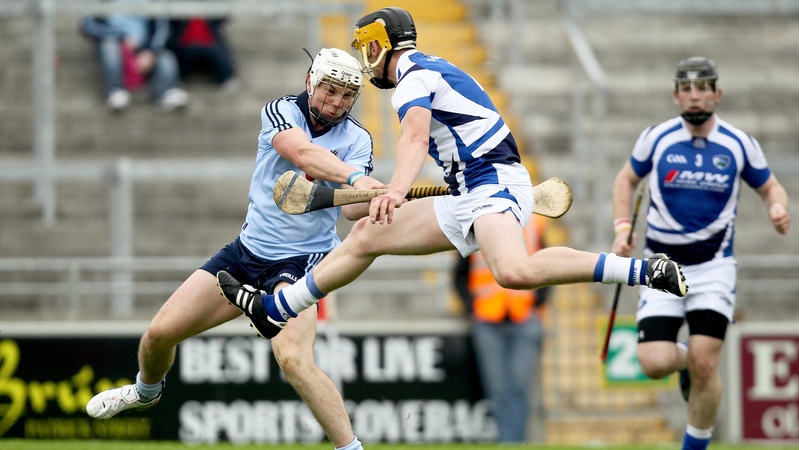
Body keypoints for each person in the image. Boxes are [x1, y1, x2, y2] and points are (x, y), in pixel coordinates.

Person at [215, 7, 687, 344]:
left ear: (379, 45)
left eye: (365, 50)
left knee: (514, 272)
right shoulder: (431, 68)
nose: (365, 61)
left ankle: (646, 270)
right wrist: (384, 192)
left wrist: (396, 189)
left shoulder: (413, 78)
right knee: (364, 236)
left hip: (491, 184)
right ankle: (278, 307)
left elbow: (415, 140)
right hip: (467, 190)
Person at [86, 48, 384, 450]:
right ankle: (145, 391)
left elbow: (352, 215)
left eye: (346, 96)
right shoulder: (281, 111)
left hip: (304, 261)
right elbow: (299, 152)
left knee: (293, 360)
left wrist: (377, 198)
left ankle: (351, 448)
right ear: (311, 81)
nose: (335, 102)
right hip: (246, 253)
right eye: (329, 90)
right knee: (158, 335)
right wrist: (353, 177)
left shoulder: (357, 139)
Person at [610, 57, 790, 450]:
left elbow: (770, 186)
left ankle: (695, 444)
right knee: (654, 364)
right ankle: (690, 359)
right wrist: (623, 228)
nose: (695, 97)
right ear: (676, 96)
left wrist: (777, 207)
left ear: (717, 94)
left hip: (713, 266)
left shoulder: (739, 143)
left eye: (703, 88)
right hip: (661, 266)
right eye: (687, 89)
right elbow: (626, 180)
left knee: (707, 364)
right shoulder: (655, 138)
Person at [453, 214, 550, 442]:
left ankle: (514, 442)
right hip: (488, 319)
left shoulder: (534, 223)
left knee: (519, 387)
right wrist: (471, 307)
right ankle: (507, 442)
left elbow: (549, 264)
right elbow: (459, 273)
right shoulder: (475, 222)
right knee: (497, 390)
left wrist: (537, 302)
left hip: (524, 317)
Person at [80, 0, 189, 112]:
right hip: (115, 46)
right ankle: (115, 92)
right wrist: (121, 37)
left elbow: (161, 28)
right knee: (109, 47)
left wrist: (150, 52)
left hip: (143, 49)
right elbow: (87, 25)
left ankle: (167, 92)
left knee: (165, 57)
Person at [166, 17, 238, 90]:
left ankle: (226, 77)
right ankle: (177, 80)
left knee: (218, 56)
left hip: (209, 41)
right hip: (185, 43)